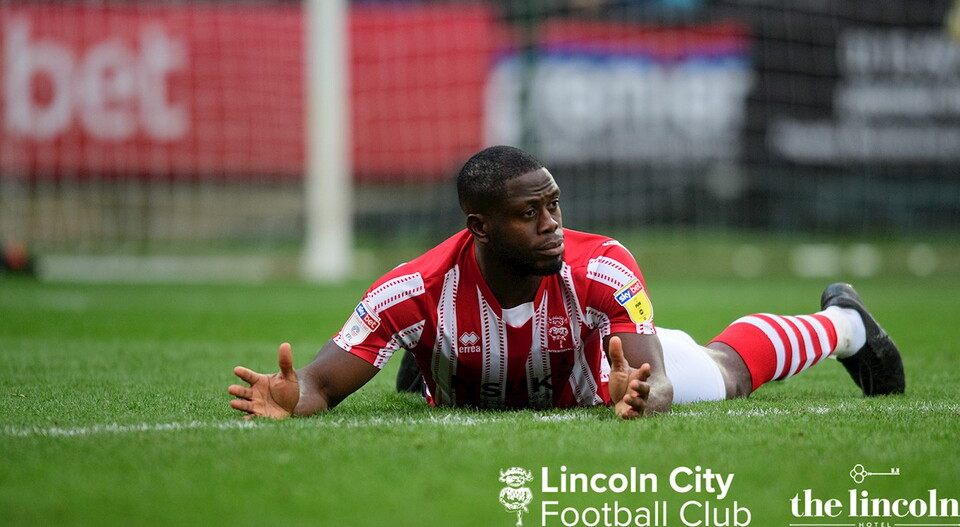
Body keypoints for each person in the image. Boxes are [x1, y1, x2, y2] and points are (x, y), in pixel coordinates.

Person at [228, 146, 904, 420]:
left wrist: (640, 392)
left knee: (725, 372)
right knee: (441, 343)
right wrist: (291, 397)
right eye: (529, 214)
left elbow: (657, 383)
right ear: (479, 226)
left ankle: (845, 323)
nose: (552, 224)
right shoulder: (414, 290)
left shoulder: (603, 267)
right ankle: (437, 359)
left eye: (554, 205)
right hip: (473, 346)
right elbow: (318, 384)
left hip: (593, 375)